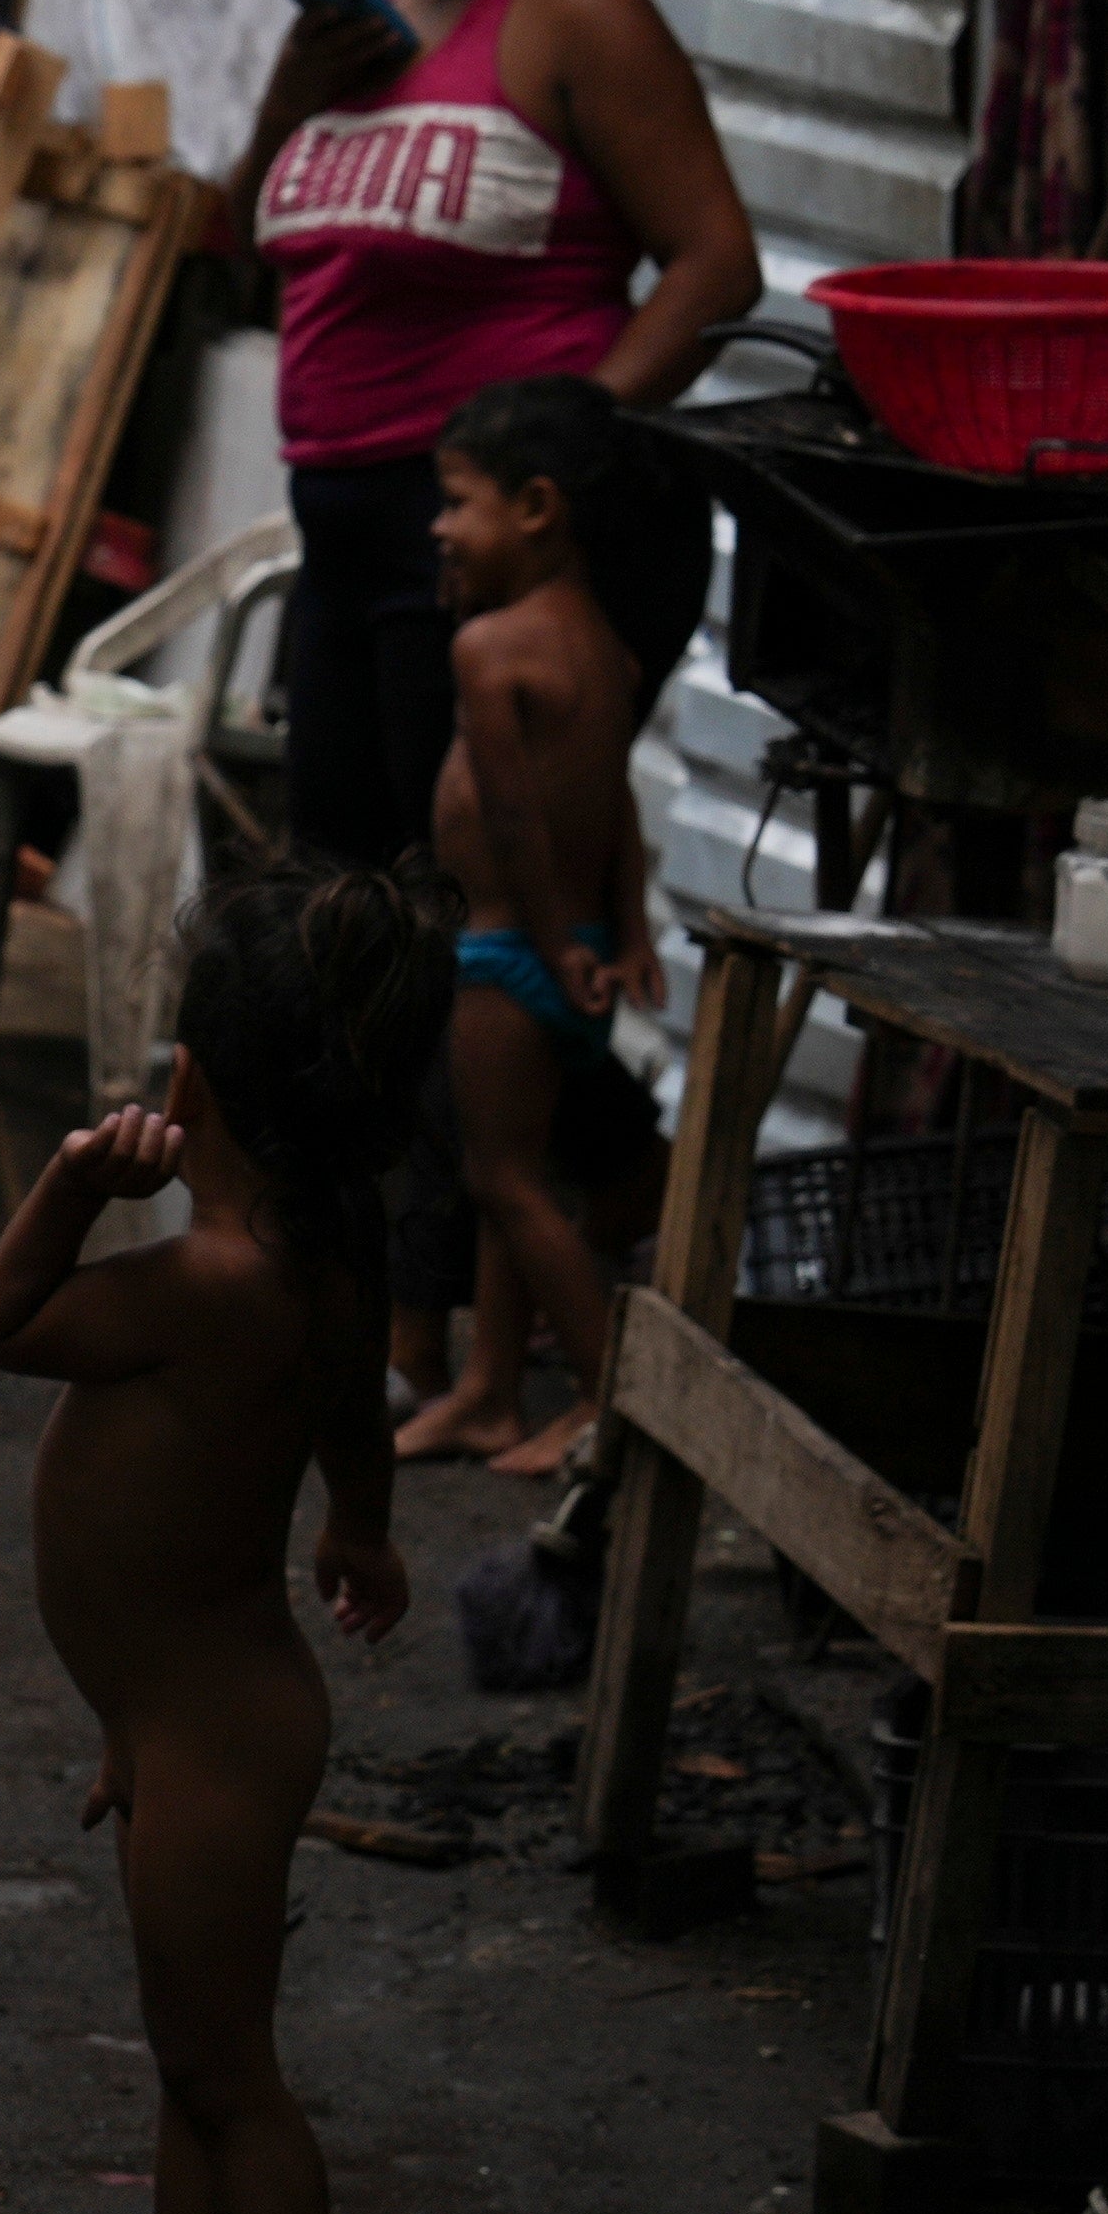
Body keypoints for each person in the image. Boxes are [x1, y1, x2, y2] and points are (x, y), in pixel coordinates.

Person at [0, 866, 449, 2214]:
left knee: (230, 2070)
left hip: (210, 1730)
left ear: (195, 1084)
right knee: (193, 2051)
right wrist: (366, 1523)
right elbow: (351, 1402)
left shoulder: (208, 1282)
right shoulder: (318, 1246)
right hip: (184, 1707)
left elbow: (5, 1318)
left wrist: (63, 1180)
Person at [244, 0, 756, 876]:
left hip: (478, 543)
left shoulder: (579, 10)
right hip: (341, 520)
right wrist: (291, 92)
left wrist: (564, 440)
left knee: (455, 901)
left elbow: (713, 264)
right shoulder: (372, 1)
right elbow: (239, 234)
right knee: (332, 894)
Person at [396, 380, 664, 1477]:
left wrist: (551, 947)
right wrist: (625, 930)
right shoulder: (607, 647)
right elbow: (617, 801)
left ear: (538, 506)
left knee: (501, 1178)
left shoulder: (491, 648)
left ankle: (615, 1406)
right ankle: (489, 1392)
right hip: (572, 942)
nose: (440, 527)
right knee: (520, 1174)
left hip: (511, 956)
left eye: (459, 503)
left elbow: (511, 812)